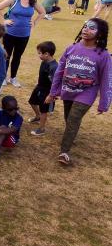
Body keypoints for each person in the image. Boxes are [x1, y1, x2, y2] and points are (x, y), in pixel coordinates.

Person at [46, 19, 110, 165]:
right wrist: (53, 91)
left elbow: (106, 79)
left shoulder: (103, 55)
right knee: (69, 119)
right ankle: (71, 135)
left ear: (99, 33)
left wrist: (104, 103)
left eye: (91, 28)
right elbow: (59, 72)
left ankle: (64, 152)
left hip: (86, 93)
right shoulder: (71, 48)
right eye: (85, 26)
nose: (86, 30)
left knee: (74, 118)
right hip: (68, 90)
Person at [0, 0, 46, 88]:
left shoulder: (33, 3)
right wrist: (4, 21)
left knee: (17, 57)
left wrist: (35, 22)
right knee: (6, 56)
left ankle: (13, 78)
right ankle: (3, 77)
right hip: (9, 34)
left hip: (24, 35)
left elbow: (42, 12)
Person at [28, 41, 58, 136]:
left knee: (44, 110)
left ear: (47, 54)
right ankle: (37, 116)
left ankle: (41, 129)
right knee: (32, 102)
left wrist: (52, 95)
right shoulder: (44, 61)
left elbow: (55, 82)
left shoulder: (54, 67)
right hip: (39, 87)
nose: (38, 55)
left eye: (40, 53)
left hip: (47, 92)